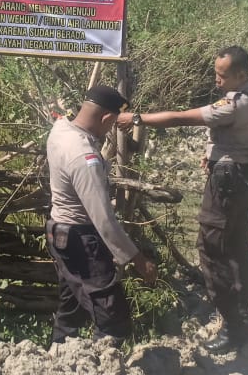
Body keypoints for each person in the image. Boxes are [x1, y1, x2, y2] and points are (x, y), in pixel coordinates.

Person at [116, 45, 248, 353]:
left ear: (240, 74)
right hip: (246, 174)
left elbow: (179, 118)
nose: (217, 80)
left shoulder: (234, 105)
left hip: (228, 184)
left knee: (212, 250)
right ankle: (243, 307)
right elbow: (240, 134)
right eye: (216, 73)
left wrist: (137, 118)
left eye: (223, 76)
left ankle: (233, 326)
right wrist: (213, 153)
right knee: (238, 244)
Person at [46, 85, 159, 346]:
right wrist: (138, 260)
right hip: (80, 239)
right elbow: (104, 220)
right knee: (113, 319)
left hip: (59, 231)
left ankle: (57, 356)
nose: (109, 131)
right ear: (107, 118)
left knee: (71, 306)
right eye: (111, 125)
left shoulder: (61, 129)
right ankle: (103, 363)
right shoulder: (83, 156)